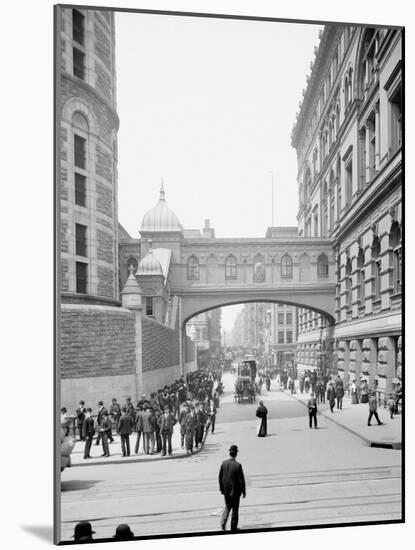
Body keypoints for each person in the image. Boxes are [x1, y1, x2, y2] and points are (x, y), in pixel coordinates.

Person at [218, 444, 246, 532]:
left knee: (227, 506)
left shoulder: (224, 463)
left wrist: (221, 489)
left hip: (226, 491)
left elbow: (220, 477)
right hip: (235, 492)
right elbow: (241, 480)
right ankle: (233, 528)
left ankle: (223, 522)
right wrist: (243, 491)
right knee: (235, 510)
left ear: (229, 453)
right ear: (236, 454)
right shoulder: (238, 465)